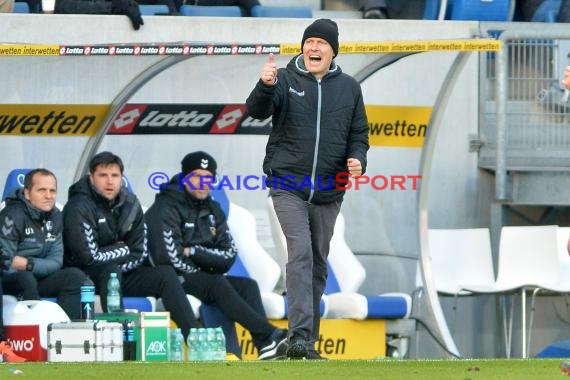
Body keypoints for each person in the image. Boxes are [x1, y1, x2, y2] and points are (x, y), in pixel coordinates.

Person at [245, 19, 369, 359]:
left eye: (321, 43)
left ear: (333, 50)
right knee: (298, 252)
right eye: (309, 41)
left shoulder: (349, 87)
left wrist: (358, 159)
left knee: (316, 262)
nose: (313, 48)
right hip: (288, 184)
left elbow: (359, 135)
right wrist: (265, 86)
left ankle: (304, 342)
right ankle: (299, 335)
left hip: (330, 190)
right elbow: (255, 111)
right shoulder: (284, 79)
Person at [145, 151, 288, 360]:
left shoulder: (213, 208)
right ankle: (269, 333)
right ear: (185, 178)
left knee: (248, 286)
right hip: (171, 281)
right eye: (197, 176)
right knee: (214, 283)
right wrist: (204, 268)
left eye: (208, 178)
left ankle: (266, 347)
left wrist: (194, 251)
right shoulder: (165, 207)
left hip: (203, 277)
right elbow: (167, 257)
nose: (203, 183)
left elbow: (228, 256)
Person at [62, 151, 199, 340]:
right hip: (86, 276)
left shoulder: (131, 204)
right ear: (91, 178)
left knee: (165, 274)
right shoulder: (78, 206)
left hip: (120, 272)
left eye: (115, 176)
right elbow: (88, 257)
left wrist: (120, 255)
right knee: (111, 271)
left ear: (121, 178)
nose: (110, 182)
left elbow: (139, 251)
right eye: (103, 175)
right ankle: (119, 342)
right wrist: (123, 249)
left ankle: (194, 337)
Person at [0, 169, 86, 321]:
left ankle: (66, 332)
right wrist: (27, 269)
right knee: (26, 279)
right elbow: (6, 263)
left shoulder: (56, 216)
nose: (48, 196)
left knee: (75, 276)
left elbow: (56, 261)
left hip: (36, 275)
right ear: (27, 193)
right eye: (42, 190)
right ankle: (31, 333)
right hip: (11, 280)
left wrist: (29, 264)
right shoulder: (11, 215)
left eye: (52, 191)